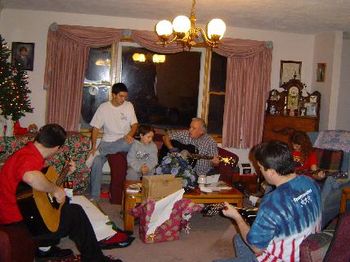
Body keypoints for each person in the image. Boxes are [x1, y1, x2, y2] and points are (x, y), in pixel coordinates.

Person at [0, 124, 121, 262]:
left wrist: (65, 173)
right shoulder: (29, 157)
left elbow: (37, 191)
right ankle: (95, 259)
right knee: (75, 213)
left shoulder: (28, 151)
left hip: (23, 212)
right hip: (20, 221)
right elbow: (30, 177)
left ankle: (44, 250)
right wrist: (55, 189)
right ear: (57, 147)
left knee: (64, 202)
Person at [217, 141, 322, 262]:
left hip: (282, 259)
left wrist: (237, 217)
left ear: (271, 172)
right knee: (239, 239)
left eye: (261, 168)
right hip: (309, 252)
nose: (260, 171)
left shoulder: (272, 202)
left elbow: (257, 249)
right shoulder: (310, 182)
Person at [87, 82, 138, 200]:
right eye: (121, 96)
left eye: (125, 96)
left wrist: (130, 135)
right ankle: (95, 195)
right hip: (107, 142)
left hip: (124, 141)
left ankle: (101, 151)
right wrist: (93, 146)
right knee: (96, 163)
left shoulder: (128, 105)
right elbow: (95, 128)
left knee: (130, 143)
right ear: (113, 95)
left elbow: (135, 125)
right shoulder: (103, 107)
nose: (123, 99)